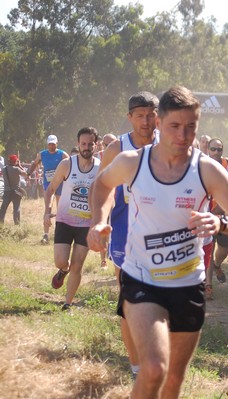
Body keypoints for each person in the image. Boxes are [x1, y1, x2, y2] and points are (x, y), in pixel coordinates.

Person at [87, 86, 228, 398]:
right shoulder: (132, 162)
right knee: (153, 368)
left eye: (190, 127)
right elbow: (101, 186)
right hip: (141, 278)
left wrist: (221, 222)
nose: (183, 135)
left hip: (187, 284)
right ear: (159, 124)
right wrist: (99, 220)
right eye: (174, 127)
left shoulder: (207, 169)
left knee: (173, 381)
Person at [99, 90, 160, 379]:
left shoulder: (172, 143)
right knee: (131, 303)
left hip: (165, 233)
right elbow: (103, 189)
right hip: (126, 233)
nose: (146, 121)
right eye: (140, 116)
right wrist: (99, 221)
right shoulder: (116, 149)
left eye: (151, 115)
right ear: (130, 117)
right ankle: (138, 367)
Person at [45, 127, 100, 310]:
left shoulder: (101, 168)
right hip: (65, 221)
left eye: (90, 144)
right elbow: (50, 190)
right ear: (78, 144)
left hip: (86, 224)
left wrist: (102, 221)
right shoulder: (67, 165)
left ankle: (67, 303)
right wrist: (47, 211)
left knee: (78, 264)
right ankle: (63, 269)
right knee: (61, 261)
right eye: (83, 144)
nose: (86, 147)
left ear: (96, 145)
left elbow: (107, 195)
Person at [204, 137, 228, 300]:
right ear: (208, 150)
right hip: (207, 214)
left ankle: (217, 265)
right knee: (209, 249)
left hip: (223, 215)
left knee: (223, 250)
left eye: (219, 149)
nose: (216, 152)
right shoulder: (201, 164)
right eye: (213, 149)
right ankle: (208, 286)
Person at [27, 134, 69, 244]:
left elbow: (71, 164)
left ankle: (60, 233)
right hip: (48, 186)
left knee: (61, 209)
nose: (52, 146)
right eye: (50, 144)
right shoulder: (42, 154)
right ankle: (45, 235)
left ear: (57, 144)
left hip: (60, 185)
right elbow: (34, 163)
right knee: (48, 208)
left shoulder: (62, 154)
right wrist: (28, 173)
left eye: (53, 144)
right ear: (47, 144)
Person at [0, 154, 28, 225]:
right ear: (15, 161)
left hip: (6, 191)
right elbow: (26, 175)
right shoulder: (16, 169)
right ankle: (17, 224)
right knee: (16, 209)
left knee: (3, 209)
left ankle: (1, 223)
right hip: (16, 191)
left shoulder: (4, 169)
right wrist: (20, 166)